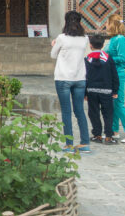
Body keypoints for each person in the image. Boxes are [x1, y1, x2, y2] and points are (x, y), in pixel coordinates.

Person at [51, 11, 91, 153]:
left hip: (63, 78)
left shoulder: (62, 38)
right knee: (79, 110)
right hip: (79, 78)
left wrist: (53, 44)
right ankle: (85, 142)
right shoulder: (85, 38)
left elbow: (53, 54)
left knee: (66, 111)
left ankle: (69, 144)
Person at [104, 14, 125, 143]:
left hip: (118, 74)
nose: (105, 25)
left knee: (119, 103)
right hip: (111, 74)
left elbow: (123, 59)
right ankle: (114, 130)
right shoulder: (113, 39)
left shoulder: (120, 39)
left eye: (107, 22)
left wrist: (107, 59)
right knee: (113, 104)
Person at [84, 34, 118, 145]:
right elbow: (114, 75)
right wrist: (115, 90)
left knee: (93, 113)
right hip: (106, 91)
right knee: (108, 114)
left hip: (92, 91)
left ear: (90, 45)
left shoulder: (87, 59)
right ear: (103, 45)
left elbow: (84, 76)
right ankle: (108, 136)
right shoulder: (108, 58)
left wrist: (85, 92)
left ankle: (97, 135)